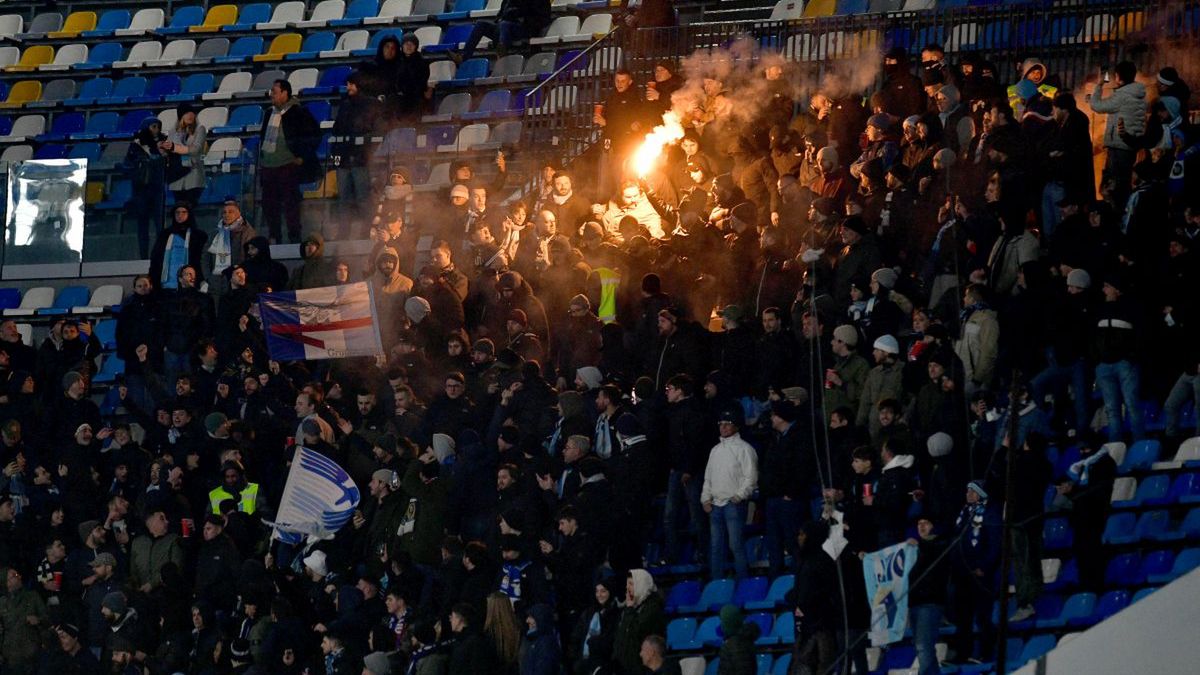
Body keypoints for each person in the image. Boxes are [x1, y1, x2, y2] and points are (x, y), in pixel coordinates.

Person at [259, 79, 321, 243]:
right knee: (269, 204)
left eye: (275, 91)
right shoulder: (268, 113)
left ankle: (294, 235)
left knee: (290, 203)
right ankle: (274, 236)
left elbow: (314, 136)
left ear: (285, 93)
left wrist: (302, 157)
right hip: (268, 166)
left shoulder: (299, 112)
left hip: (288, 164)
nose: (271, 94)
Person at [701, 409, 758, 580]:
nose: (723, 427)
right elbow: (708, 477)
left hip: (733, 504)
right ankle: (716, 584)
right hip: (715, 505)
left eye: (727, 424)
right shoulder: (715, 450)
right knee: (716, 547)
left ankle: (743, 582)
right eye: (721, 424)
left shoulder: (745, 449)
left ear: (736, 426)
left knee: (736, 545)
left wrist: (739, 496)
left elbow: (751, 477)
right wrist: (705, 498)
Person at [330, 73, 380, 240]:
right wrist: (335, 158)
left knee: (363, 198)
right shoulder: (345, 105)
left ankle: (366, 232)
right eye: (348, 84)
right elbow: (337, 131)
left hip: (362, 159)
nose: (348, 87)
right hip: (344, 160)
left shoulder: (372, 105)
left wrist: (366, 151)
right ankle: (344, 233)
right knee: (344, 199)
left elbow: (376, 131)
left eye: (352, 84)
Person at [124, 118, 169, 258]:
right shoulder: (136, 144)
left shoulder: (165, 142)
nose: (156, 130)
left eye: (158, 127)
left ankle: (160, 254)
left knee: (159, 223)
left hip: (158, 188)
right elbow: (128, 163)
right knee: (142, 223)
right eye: (153, 126)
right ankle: (143, 255)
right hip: (141, 189)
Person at [455, 0, 552, 62]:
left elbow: (543, 18)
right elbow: (501, 14)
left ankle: (501, 53)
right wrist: (499, 20)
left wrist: (520, 17)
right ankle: (463, 56)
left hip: (524, 29)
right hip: (504, 29)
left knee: (505, 24)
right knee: (481, 24)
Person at [163, 103, 208, 207]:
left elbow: (195, 149)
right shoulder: (173, 131)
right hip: (177, 175)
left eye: (191, 112)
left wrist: (175, 148)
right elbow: (169, 149)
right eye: (186, 113)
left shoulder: (200, 129)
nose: (190, 115)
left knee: (190, 206)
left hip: (193, 173)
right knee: (179, 207)